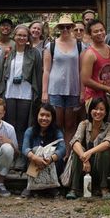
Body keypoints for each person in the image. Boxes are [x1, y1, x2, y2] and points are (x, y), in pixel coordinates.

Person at [0, 24, 42, 145]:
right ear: (14, 36)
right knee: (9, 124)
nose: (21, 38)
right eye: (19, 35)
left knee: (22, 125)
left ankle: (21, 151)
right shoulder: (7, 51)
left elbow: (38, 74)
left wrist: (39, 93)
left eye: (24, 36)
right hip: (9, 92)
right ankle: (9, 150)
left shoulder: (34, 53)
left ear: (28, 38)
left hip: (25, 93)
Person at [42, 14, 84, 142]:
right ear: (59, 28)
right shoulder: (51, 46)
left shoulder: (80, 45)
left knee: (70, 125)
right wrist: (44, 92)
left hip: (73, 89)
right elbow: (46, 70)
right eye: (62, 27)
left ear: (71, 27)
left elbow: (82, 70)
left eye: (68, 27)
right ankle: (57, 154)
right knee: (57, 124)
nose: (65, 29)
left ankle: (68, 154)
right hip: (55, 90)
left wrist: (83, 91)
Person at [66, 96, 110, 199]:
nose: (98, 112)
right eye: (95, 108)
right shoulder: (84, 124)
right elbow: (75, 142)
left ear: (106, 112)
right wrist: (84, 157)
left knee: (104, 152)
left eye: (101, 109)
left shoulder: (109, 126)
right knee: (77, 150)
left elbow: (107, 143)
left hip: (98, 166)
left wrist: (89, 152)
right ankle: (74, 189)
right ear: (90, 110)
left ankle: (104, 188)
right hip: (83, 167)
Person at [21, 102, 65, 197]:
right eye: (42, 115)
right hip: (34, 162)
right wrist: (34, 157)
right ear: (37, 116)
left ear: (52, 118)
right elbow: (24, 148)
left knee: (54, 155)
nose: (44, 118)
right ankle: (31, 186)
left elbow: (62, 148)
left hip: (50, 164)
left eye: (48, 116)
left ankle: (51, 187)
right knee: (35, 150)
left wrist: (51, 159)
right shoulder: (30, 131)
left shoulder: (57, 132)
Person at [80, 18, 110, 118]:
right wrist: (107, 88)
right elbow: (85, 80)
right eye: (95, 31)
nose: (99, 33)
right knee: (97, 130)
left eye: (101, 30)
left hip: (109, 97)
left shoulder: (109, 49)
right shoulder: (89, 54)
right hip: (94, 98)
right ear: (90, 35)